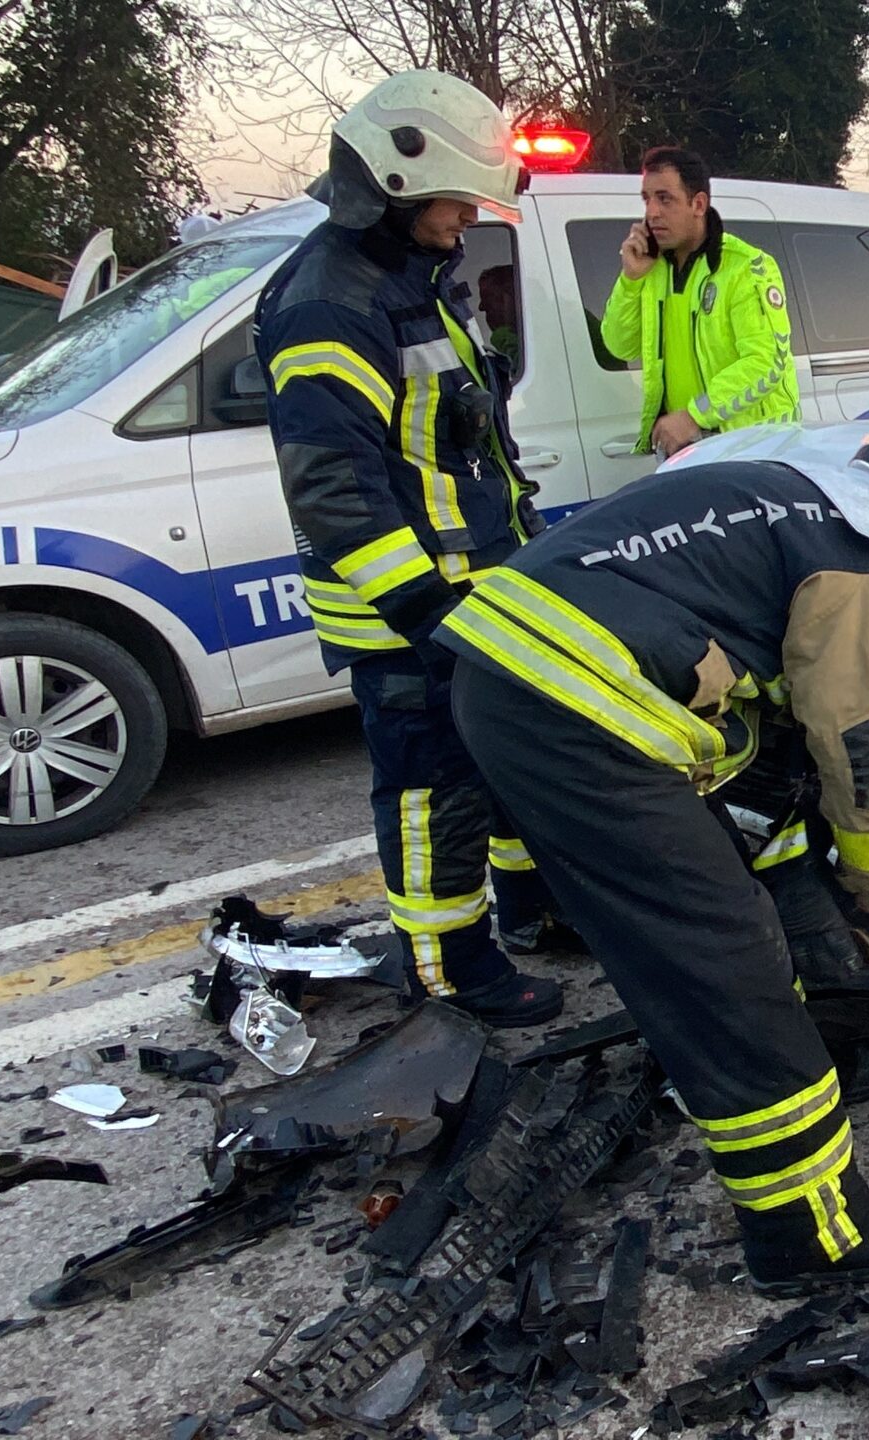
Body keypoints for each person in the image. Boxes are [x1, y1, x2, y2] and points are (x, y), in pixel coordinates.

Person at [440, 406, 869, 1292]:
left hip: (506, 679)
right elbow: (859, 741)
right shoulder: (868, 559)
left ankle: (720, 1079)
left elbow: (814, 673)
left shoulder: (779, 497)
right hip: (587, 723)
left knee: (696, 943)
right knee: (729, 968)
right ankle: (815, 1237)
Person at [253, 70, 572, 1029]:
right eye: (457, 195)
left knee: (506, 758)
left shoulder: (413, 280)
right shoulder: (329, 303)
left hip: (475, 587)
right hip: (412, 615)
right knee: (435, 787)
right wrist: (424, 609)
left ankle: (529, 908)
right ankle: (450, 966)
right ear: (397, 178)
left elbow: (462, 443)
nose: (469, 214)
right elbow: (333, 487)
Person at [603, 146, 798, 456]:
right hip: (686, 448)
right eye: (647, 199)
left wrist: (694, 415)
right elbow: (619, 345)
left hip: (755, 449)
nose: (652, 212)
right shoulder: (654, 270)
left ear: (698, 203)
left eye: (664, 199)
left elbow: (766, 363)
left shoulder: (745, 267)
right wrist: (630, 280)